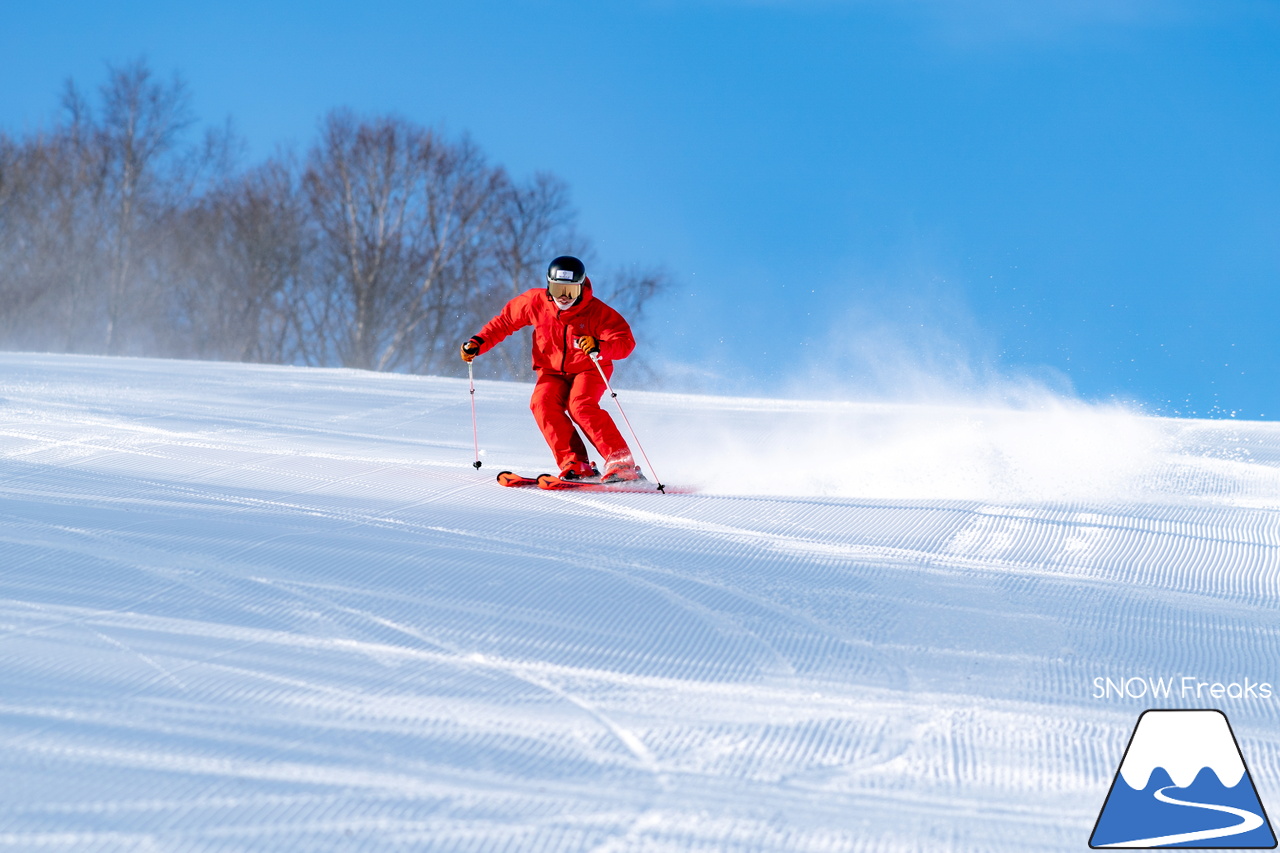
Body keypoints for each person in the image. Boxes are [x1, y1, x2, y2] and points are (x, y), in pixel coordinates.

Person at [460, 256, 641, 482]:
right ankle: (576, 463)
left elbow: (625, 342)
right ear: (548, 285)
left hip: (588, 370)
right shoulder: (534, 302)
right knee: (541, 403)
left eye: (571, 291)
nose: (563, 297)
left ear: (582, 287)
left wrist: (601, 347)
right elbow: (505, 322)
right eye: (557, 289)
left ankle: (621, 463)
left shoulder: (597, 312)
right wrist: (478, 342)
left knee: (580, 405)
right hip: (551, 371)